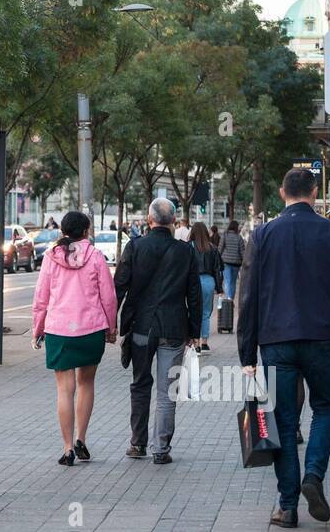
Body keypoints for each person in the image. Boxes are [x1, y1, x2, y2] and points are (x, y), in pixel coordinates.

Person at [237, 169, 330, 528]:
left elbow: (248, 298)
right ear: (315, 191)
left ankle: (287, 506)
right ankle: (314, 476)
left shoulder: (262, 235)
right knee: (325, 408)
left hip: (276, 340)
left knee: (283, 421)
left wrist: (247, 356)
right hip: (321, 337)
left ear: (281, 192)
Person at [115, 198, 202, 464]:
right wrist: (195, 330)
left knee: (140, 384)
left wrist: (110, 323)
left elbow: (119, 286)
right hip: (174, 327)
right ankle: (161, 449)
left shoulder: (136, 247)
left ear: (149, 220)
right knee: (167, 390)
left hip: (141, 327)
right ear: (174, 222)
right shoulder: (185, 251)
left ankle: (137, 443)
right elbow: (194, 294)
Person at [31, 210, 117, 466]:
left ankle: (67, 448)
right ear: (86, 231)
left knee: (64, 389)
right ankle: (81, 438)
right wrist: (111, 328)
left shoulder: (50, 257)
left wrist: (38, 328)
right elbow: (109, 297)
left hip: (59, 331)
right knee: (86, 384)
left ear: (63, 231)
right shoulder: (96, 257)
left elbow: (41, 297)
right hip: (90, 330)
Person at [189, 222, 223, 353]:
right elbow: (217, 269)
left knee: (193, 311)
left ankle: (195, 342)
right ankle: (204, 343)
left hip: (193, 282)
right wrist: (219, 288)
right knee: (206, 313)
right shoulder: (212, 248)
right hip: (209, 281)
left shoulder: (189, 247)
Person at [219, 221, 245, 315]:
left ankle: (229, 299)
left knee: (227, 281)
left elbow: (220, 248)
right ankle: (231, 299)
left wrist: (218, 259)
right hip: (236, 263)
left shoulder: (224, 235)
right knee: (232, 282)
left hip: (225, 261)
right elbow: (242, 251)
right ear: (236, 227)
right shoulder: (239, 237)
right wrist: (244, 262)